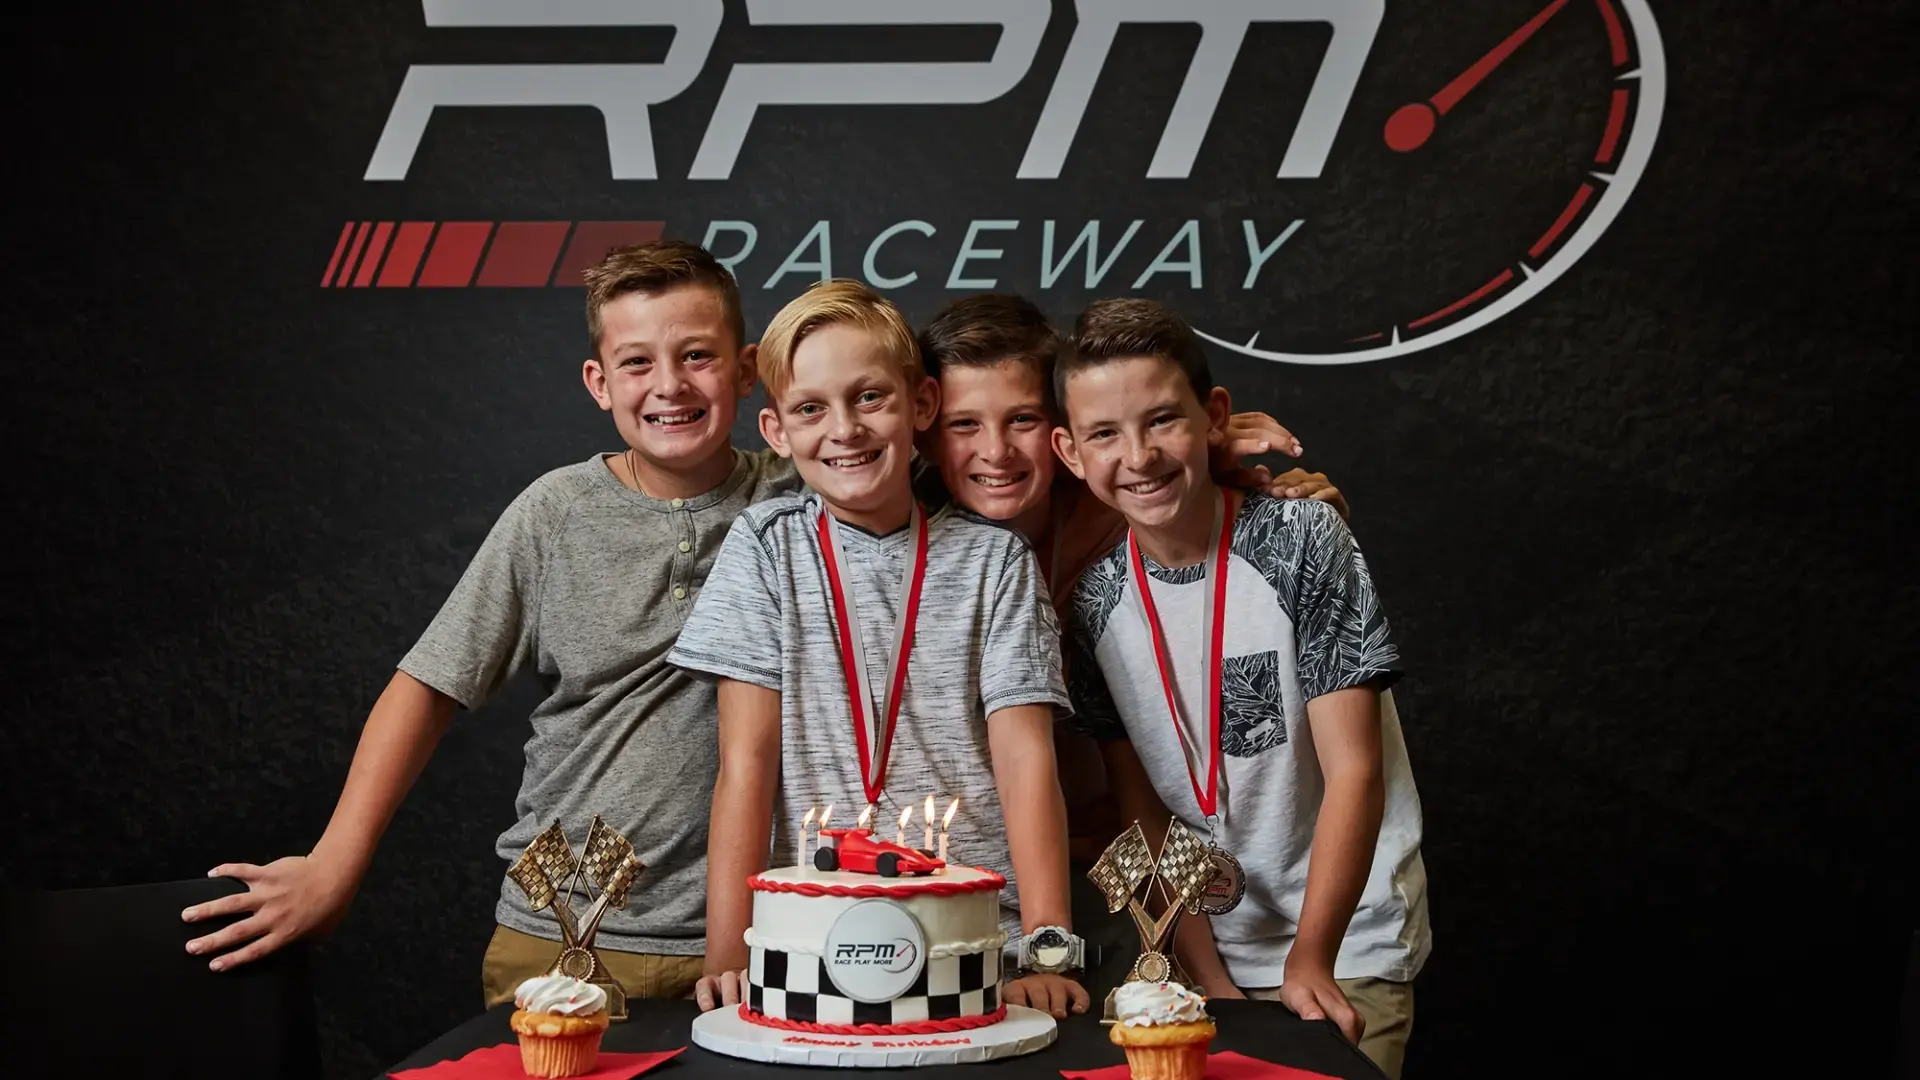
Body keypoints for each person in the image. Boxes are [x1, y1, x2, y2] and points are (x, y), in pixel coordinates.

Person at [182, 241, 802, 1007]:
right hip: (569, 940)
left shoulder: (804, 494)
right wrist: (333, 863)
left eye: (697, 356)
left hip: (769, 942)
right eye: (637, 363)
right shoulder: (554, 514)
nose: (669, 385)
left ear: (746, 371)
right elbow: (427, 686)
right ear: (598, 383)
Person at [670, 280, 1092, 1020]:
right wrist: (730, 955)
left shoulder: (994, 561)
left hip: (979, 943)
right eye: (811, 408)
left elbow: (1027, 762)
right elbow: (746, 766)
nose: (845, 429)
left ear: (920, 406)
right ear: (775, 429)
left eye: (870, 398)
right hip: (810, 942)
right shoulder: (765, 550)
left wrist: (1045, 947)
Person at [1050, 298, 1429, 1079]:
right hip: (1207, 962)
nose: (1140, 455)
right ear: (1069, 450)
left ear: (1214, 415)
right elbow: (1147, 815)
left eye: (1162, 420)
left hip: (1347, 946)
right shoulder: (1093, 604)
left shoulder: (1301, 538)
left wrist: (1312, 958)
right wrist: (1210, 980)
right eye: (1105, 435)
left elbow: (1355, 770)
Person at [912, 293, 1352, 860]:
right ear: (925, 428)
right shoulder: (901, 533)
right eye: (963, 424)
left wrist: (1232, 464)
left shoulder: (1129, 501)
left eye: (1022, 418)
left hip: (1132, 850)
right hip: (976, 861)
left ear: (1060, 432)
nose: (996, 451)